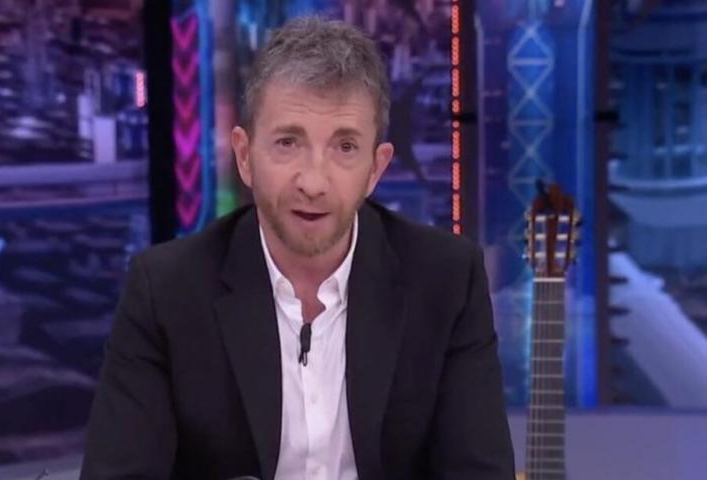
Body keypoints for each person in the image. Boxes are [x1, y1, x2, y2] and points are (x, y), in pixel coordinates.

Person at [81, 16, 514, 480]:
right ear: (244, 156)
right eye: (288, 142)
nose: (313, 182)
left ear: (376, 168)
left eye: (345, 147)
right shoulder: (166, 291)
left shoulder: (446, 281)